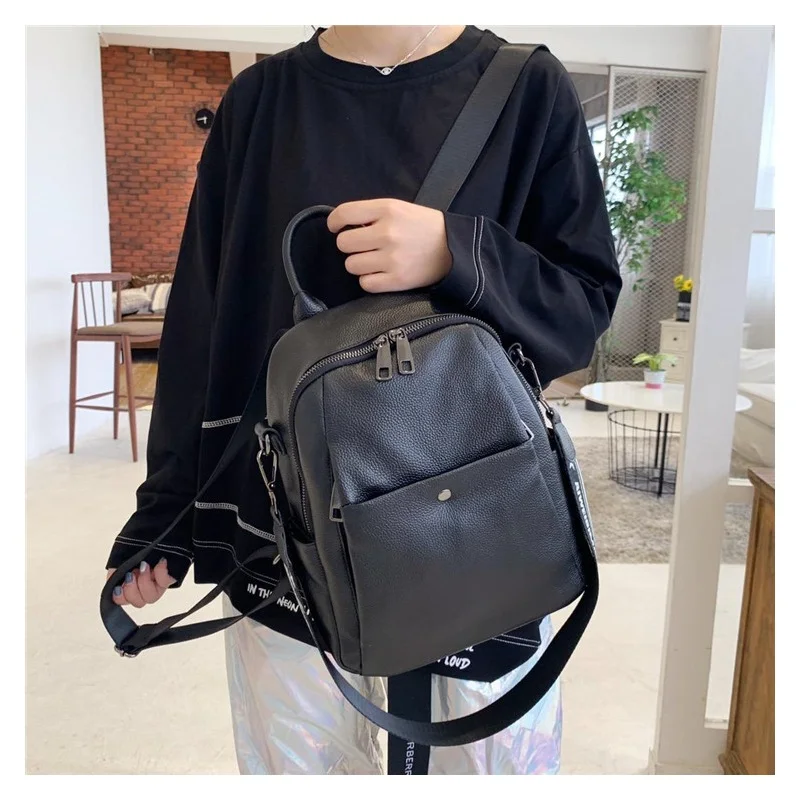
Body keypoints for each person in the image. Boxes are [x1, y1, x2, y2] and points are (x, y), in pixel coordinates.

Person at [105, 25, 621, 775]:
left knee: (489, 773)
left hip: (477, 520)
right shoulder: (261, 101)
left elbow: (582, 304)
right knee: (299, 771)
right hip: (286, 524)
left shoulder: (527, 88)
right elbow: (204, 322)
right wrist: (168, 513)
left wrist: (456, 251)